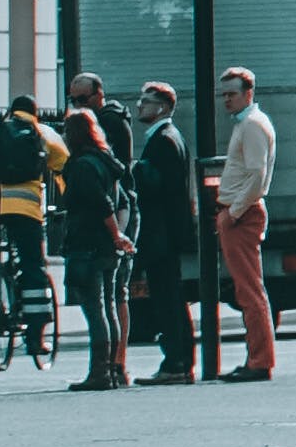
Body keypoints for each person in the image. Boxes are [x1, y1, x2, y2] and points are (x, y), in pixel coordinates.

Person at [61, 85, 134, 390]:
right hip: (105, 247)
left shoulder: (82, 166)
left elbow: (100, 204)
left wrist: (116, 234)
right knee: (108, 306)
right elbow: (119, 202)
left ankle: (100, 371)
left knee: (95, 309)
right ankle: (113, 369)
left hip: (88, 244)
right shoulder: (106, 161)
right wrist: (117, 236)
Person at [209, 65, 279, 380]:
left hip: (243, 214)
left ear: (248, 93)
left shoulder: (251, 125)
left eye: (232, 94)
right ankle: (257, 358)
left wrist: (233, 212)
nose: (227, 100)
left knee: (249, 291)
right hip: (240, 211)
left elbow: (257, 176)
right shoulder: (247, 123)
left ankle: (259, 360)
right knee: (247, 289)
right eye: (223, 94)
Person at [0, 90, 67, 356]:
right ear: (35, 113)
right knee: (33, 266)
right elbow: (63, 165)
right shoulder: (42, 133)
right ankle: (35, 336)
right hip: (27, 211)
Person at [132, 87, 198, 378]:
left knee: (166, 299)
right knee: (172, 297)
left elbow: (158, 185)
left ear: (161, 107)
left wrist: (136, 171)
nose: (139, 106)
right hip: (168, 233)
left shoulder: (164, 140)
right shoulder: (169, 137)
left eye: (145, 102)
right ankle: (181, 359)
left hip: (161, 234)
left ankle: (175, 362)